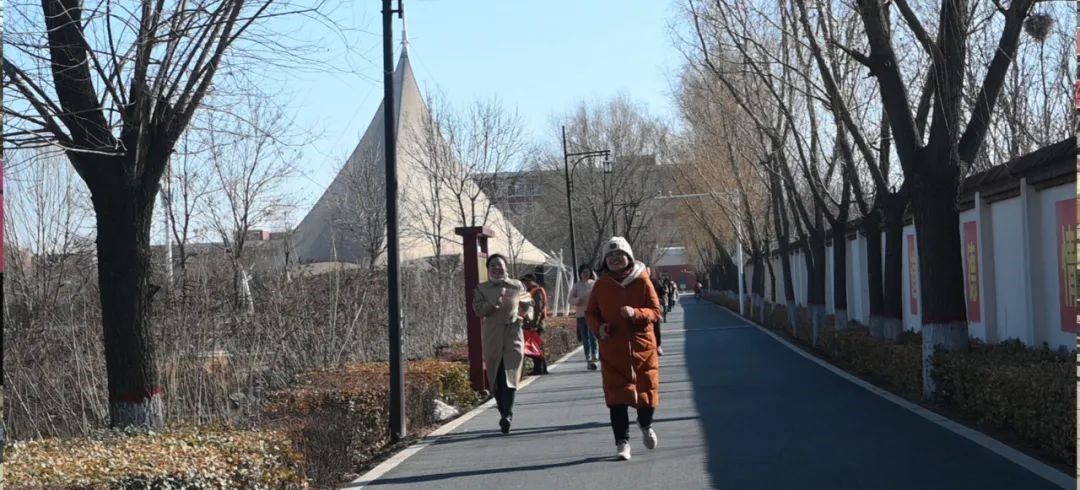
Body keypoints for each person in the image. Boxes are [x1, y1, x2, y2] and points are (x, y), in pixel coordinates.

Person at [586, 236, 662, 461]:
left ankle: (645, 424)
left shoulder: (642, 280)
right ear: (605, 261)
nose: (615, 259)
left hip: (642, 349)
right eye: (611, 256)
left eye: (619, 255)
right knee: (616, 399)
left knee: (646, 396)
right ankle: (622, 442)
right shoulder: (601, 285)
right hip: (613, 351)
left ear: (628, 257)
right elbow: (591, 313)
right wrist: (599, 328)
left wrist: (636, 313)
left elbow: (655, 310)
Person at [473, 254, 533, 434]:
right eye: (492, 265)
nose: (496, 268)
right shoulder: (482, 288)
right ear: (488, 269)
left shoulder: (517, 285)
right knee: (497, 377)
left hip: (513, 333)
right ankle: (503, 411)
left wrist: (525, 315)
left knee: (511, 375)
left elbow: (528, 304)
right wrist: (493, 303)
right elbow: (478, 311)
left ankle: (507, 414)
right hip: (492, 335)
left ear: (506, 267)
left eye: (499, 265)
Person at [568, 264, 599, 370]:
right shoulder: (577, 286)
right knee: (585, 337)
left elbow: (600, 297)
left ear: (590, 273)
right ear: (580, 274)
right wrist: (577, 300)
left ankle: (594, 355)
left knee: (592, 335)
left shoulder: (595, 284)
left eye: (587, 272)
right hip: (581, 314)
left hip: (592, 314)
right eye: (583, 272)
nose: (585, 274)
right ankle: (588, 357)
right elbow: (570, 299)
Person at [521, 273, 549, 375]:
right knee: (535, 346)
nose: (525, 284)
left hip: (536, 325)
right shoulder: (530, 291)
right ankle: (541, 368)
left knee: (536, 346)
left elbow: (538, 310)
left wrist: (534, 325)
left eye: (527, 281)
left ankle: (539, 368)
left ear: (532, 281)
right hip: (532, 324)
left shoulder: (537, 292)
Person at [648, 267, 666, 356]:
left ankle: (658, 346)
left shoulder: (654, 282)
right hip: (641, 310)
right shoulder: (636, 282)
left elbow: (663, 293)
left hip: (654, 308)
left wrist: (660, 303)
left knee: (656, 328)